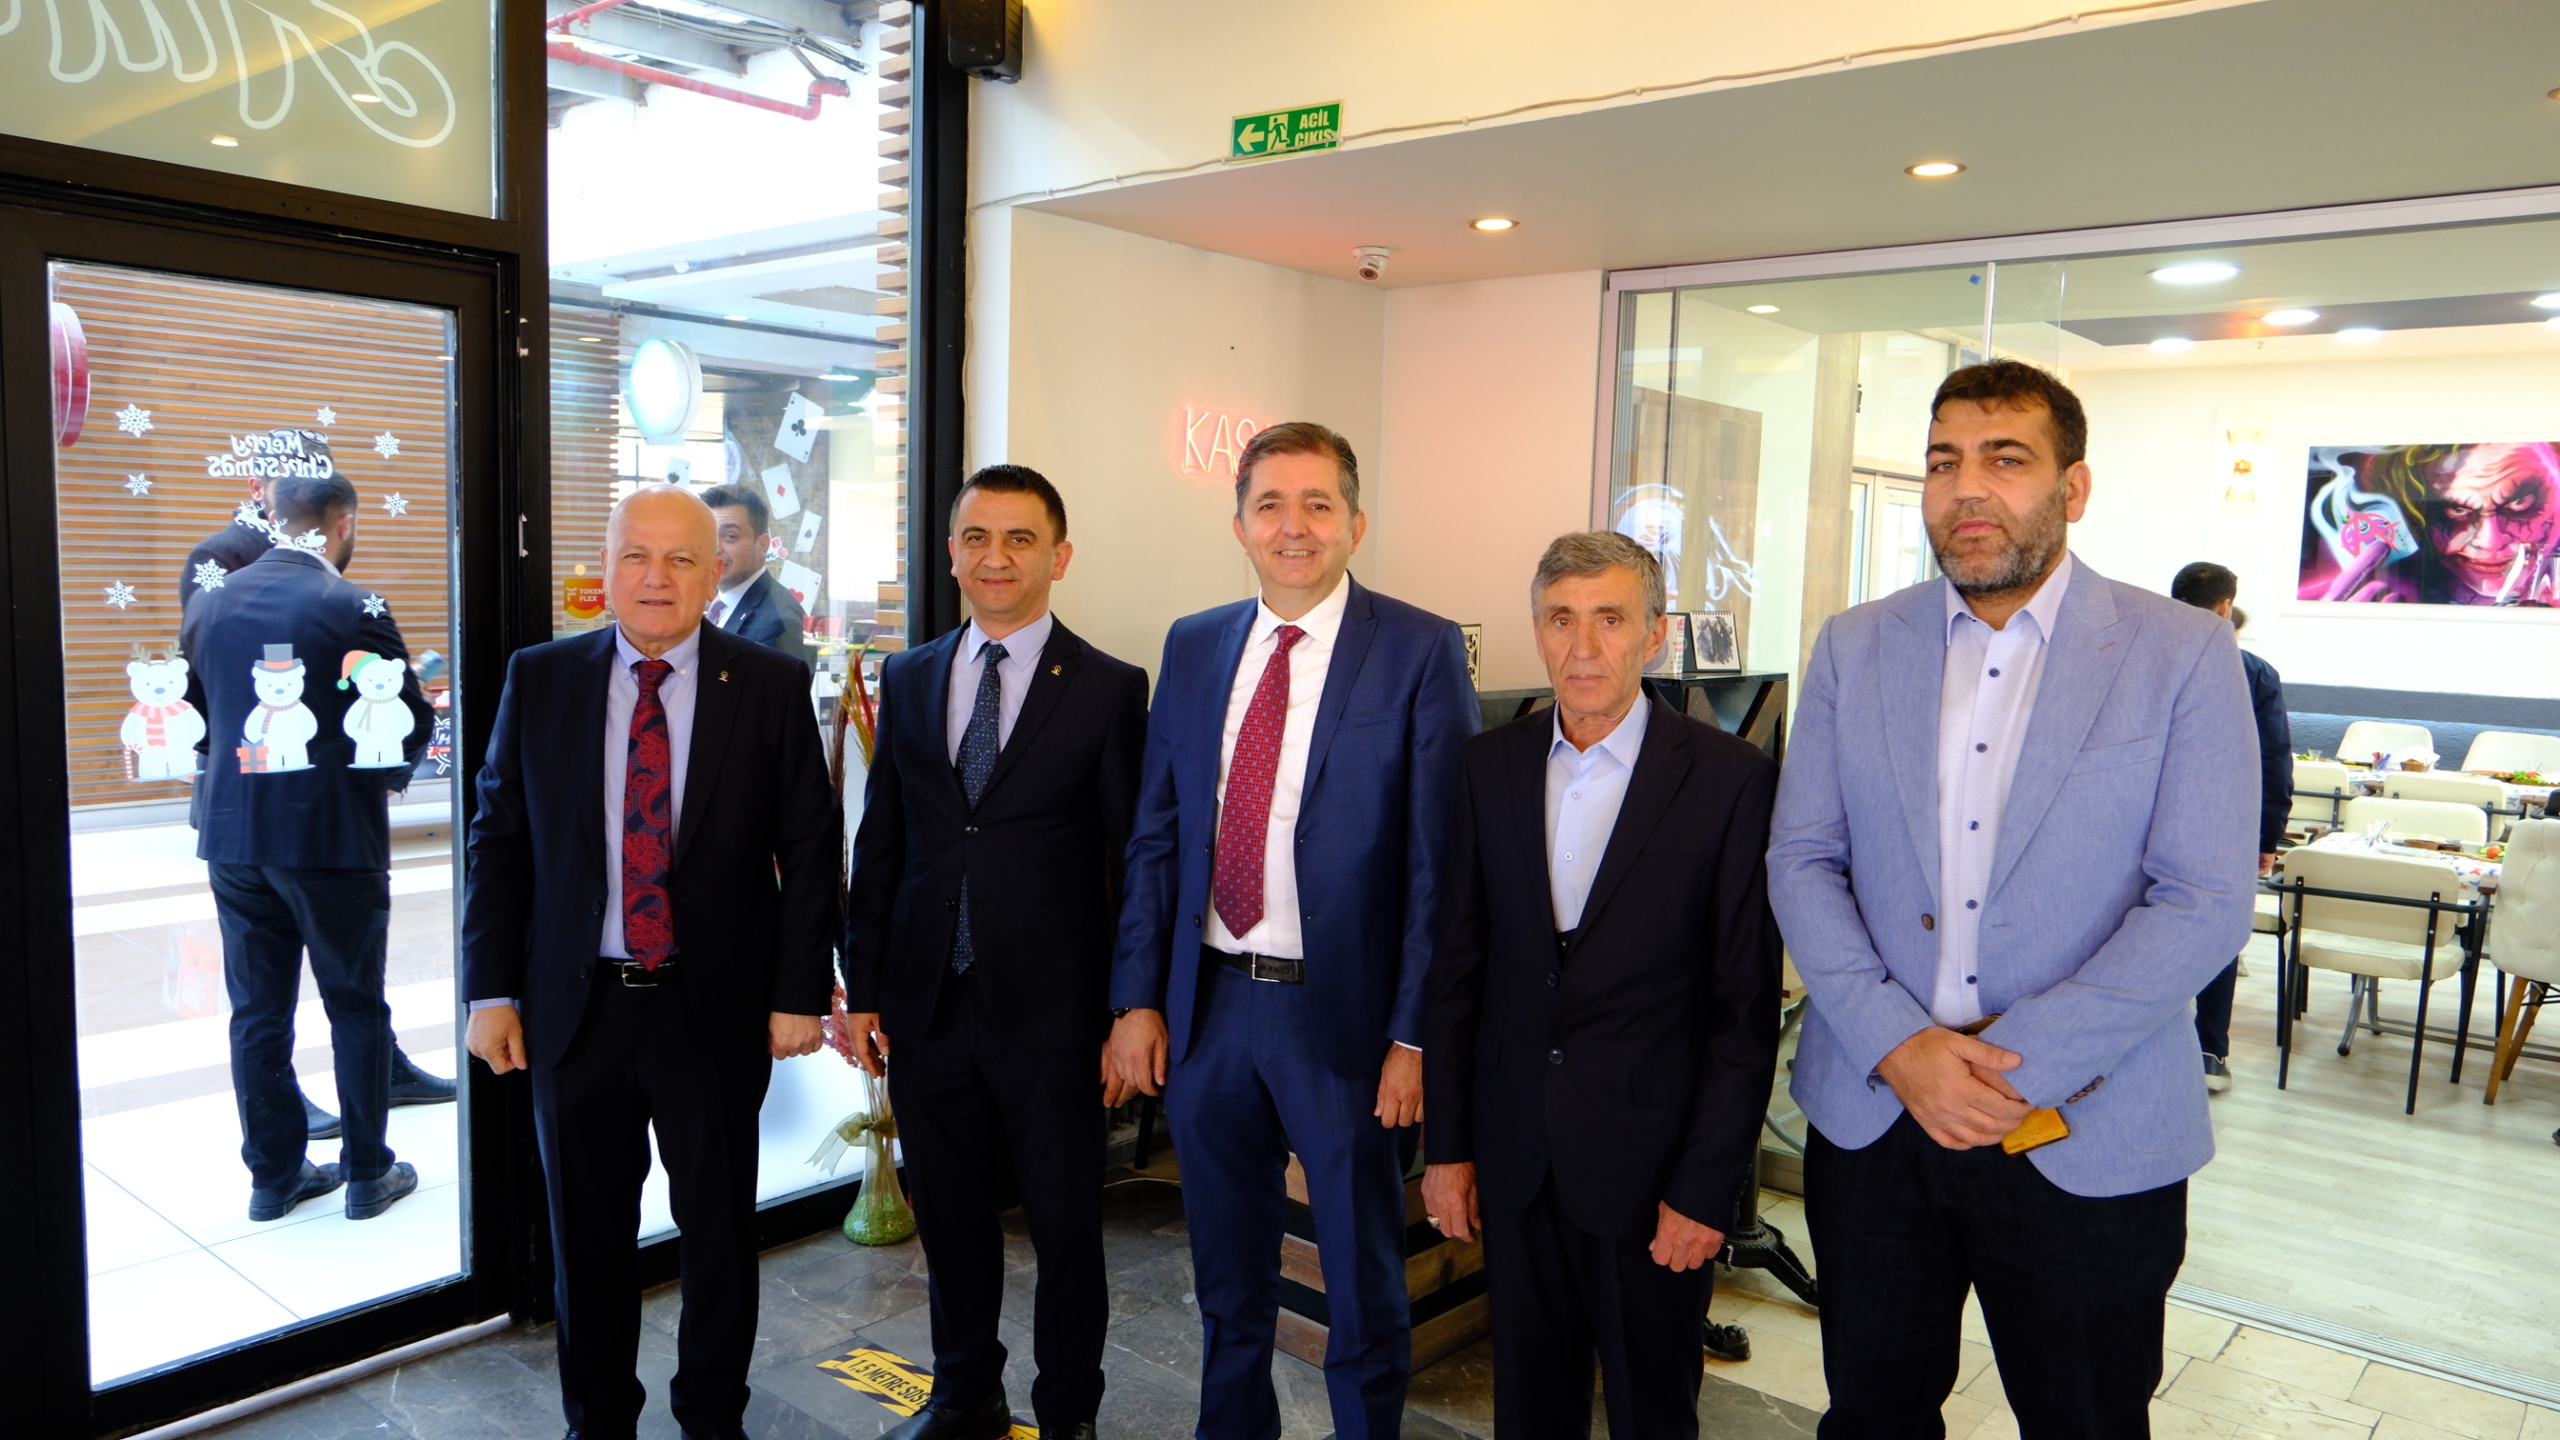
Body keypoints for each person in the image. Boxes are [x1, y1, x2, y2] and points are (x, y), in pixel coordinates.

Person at [1767, 360, 2259, 1438]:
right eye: (1944, 462)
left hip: (2086, 1120)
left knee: (2084, 1419)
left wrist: (2006, 1071)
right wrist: (1901, 1046)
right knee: (1871, 1417)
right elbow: (1802, 858)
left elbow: (2205, 899)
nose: (1968, 489)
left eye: (2005, 459)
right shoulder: (1856, 643)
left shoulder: (2180, 653)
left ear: (2072, 488)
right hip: (1876, 1116)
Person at [1104, 421, 1476, 1440]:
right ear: (1239, 525)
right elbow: (1156, 834)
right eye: (1270, 504)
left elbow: (1441, 868)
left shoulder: (1419, 648)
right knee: (1228, 1277)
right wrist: (1136, 999)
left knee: (1361, 1284)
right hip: (1210, 1009)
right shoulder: (1194, 644)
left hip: (1344, 1025)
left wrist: (1414, 1037)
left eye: (1318, 503)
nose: (1294, 525)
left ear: (1356, 522)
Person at [460, 486, 838, 1440]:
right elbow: (499, 842)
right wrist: (490, 991)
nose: (656, 577)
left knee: (718, 1235)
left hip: (711, 1010)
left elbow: (810, 845)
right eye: (637, 555)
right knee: (586, 1242)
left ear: (716, 574)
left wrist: (800, 991)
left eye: (681, 559)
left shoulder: (767, 683)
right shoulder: (541, 678)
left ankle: (712, 1418)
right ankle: (599, 1422)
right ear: (607, 568)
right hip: (574, 1010)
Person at [1422, 531, 1781, 1440]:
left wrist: (1706, 1188)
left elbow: (1743, 1009)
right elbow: (1457, 970)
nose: (1583, 646)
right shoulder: (1487, 766)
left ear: (1654, 635)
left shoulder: (1730, 780)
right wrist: (1449, 1149)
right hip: (1517, 1162)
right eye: (1561, 620)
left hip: (1654, 1175)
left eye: (1610, 619)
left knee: (1652, 1412)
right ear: (1538, 632)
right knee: (1529, 1409)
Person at [841, 465, 1148, 1440]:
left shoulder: (1109, 688)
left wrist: (1128, 1009)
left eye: (1020, 538)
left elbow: (1131, 863)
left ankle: (1068, 1415)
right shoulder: (911, 675)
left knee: (1065, 1230)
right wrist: (862, 984)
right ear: (951, 554)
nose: (997, 557)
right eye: (977, 537)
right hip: (929, 1003)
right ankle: (964, 1393)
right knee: (950, 1218)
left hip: (1055, 1015)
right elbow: (882, 840)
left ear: (1059, 556)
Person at [182, 433, 457, 1138]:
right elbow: (408, 719)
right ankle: (366, 1172)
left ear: (273, 511)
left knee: (257, 1011)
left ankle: (273, 1176)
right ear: (344, 523)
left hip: (235, 830)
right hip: (326, 829)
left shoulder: (211, 599)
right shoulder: (353, 602)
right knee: (352, 1001)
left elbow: (202, 710)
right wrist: (382, 770)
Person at [2170, 561, 2292, 1093]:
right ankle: (2208, 1049)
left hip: (2143, 821)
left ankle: (2147, 1041)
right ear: (2226, 607)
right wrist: (2267, 836)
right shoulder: (2253, 672)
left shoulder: (2134, 657)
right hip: (2223, 824)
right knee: (2218, 932)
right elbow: (2272, 760)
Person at [699, 482, 812, 664]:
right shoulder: (716, 604)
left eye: (730, 536)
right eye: (708, 536)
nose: (716, 548)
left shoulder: (778, 620)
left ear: (762, 546)